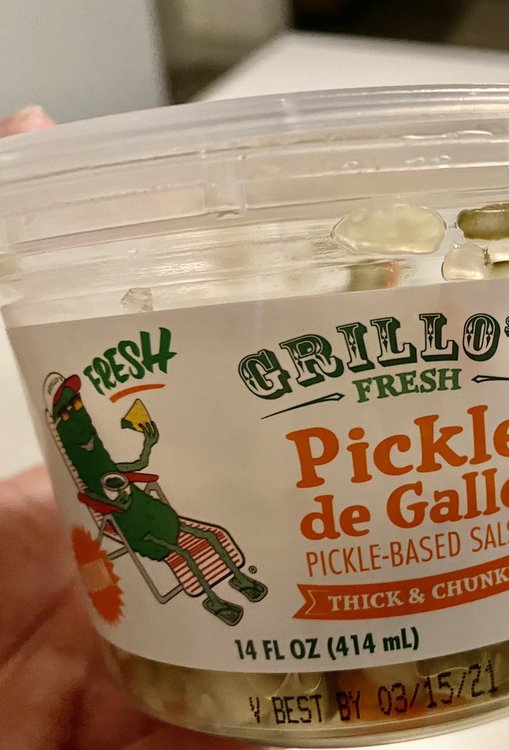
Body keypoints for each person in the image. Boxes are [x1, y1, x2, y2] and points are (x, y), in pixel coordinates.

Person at [0, 109, 256, 750]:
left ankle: (240, 579)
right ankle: (217, 600)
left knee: (211, 535)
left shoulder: (117, 475)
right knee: (186, 555)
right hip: (149, 536)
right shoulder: (101, 490)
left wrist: (144, 439)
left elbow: (136, 459)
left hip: (162, 520)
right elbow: (100, 476)